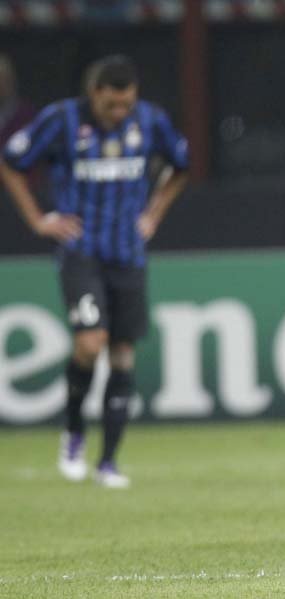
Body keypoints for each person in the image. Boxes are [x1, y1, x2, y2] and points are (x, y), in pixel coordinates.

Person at [0, 55, 189, 488]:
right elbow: (11, 161)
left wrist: (154, 212)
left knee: (122, 353)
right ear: (94, 94)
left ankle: (107, 462)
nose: (119, 113)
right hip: (81, 252)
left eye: (126, 105)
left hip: (128, 252)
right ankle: (73, 433)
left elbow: (182, 164)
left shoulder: (151, 120)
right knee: (89, 343)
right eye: (111, 105)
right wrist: (37, 219)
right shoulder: (61, 120)